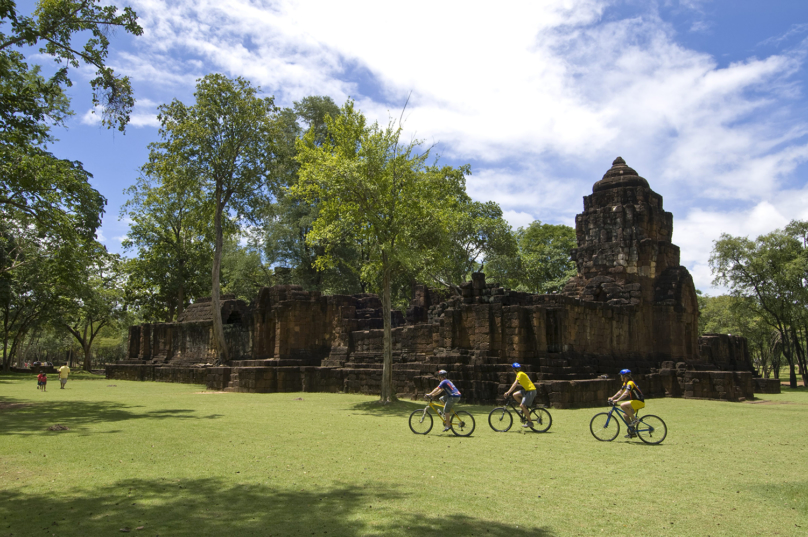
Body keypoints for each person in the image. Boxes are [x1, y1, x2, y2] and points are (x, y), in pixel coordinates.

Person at [608, 369, 645, 438]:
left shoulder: (630, 383)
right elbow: (620, 392)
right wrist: (612, 398)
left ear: (625, 376)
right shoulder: (625, 383)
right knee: (625, 415)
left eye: (621, 376)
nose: (620, 377)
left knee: (622, 405)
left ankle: (635, 420)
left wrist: (617, 400)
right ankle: (632, 432)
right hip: (635, 403)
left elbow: (626, 393)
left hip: (638, 402)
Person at [504, 362, 537, 428]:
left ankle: (530, 422)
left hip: (531, 391)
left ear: (513, 370)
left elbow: (515, 384)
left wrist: (508, 392)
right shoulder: (520, 374)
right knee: (515, 395)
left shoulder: (520, 374)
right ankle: (524, 408)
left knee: (521, 405)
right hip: (527, 390)